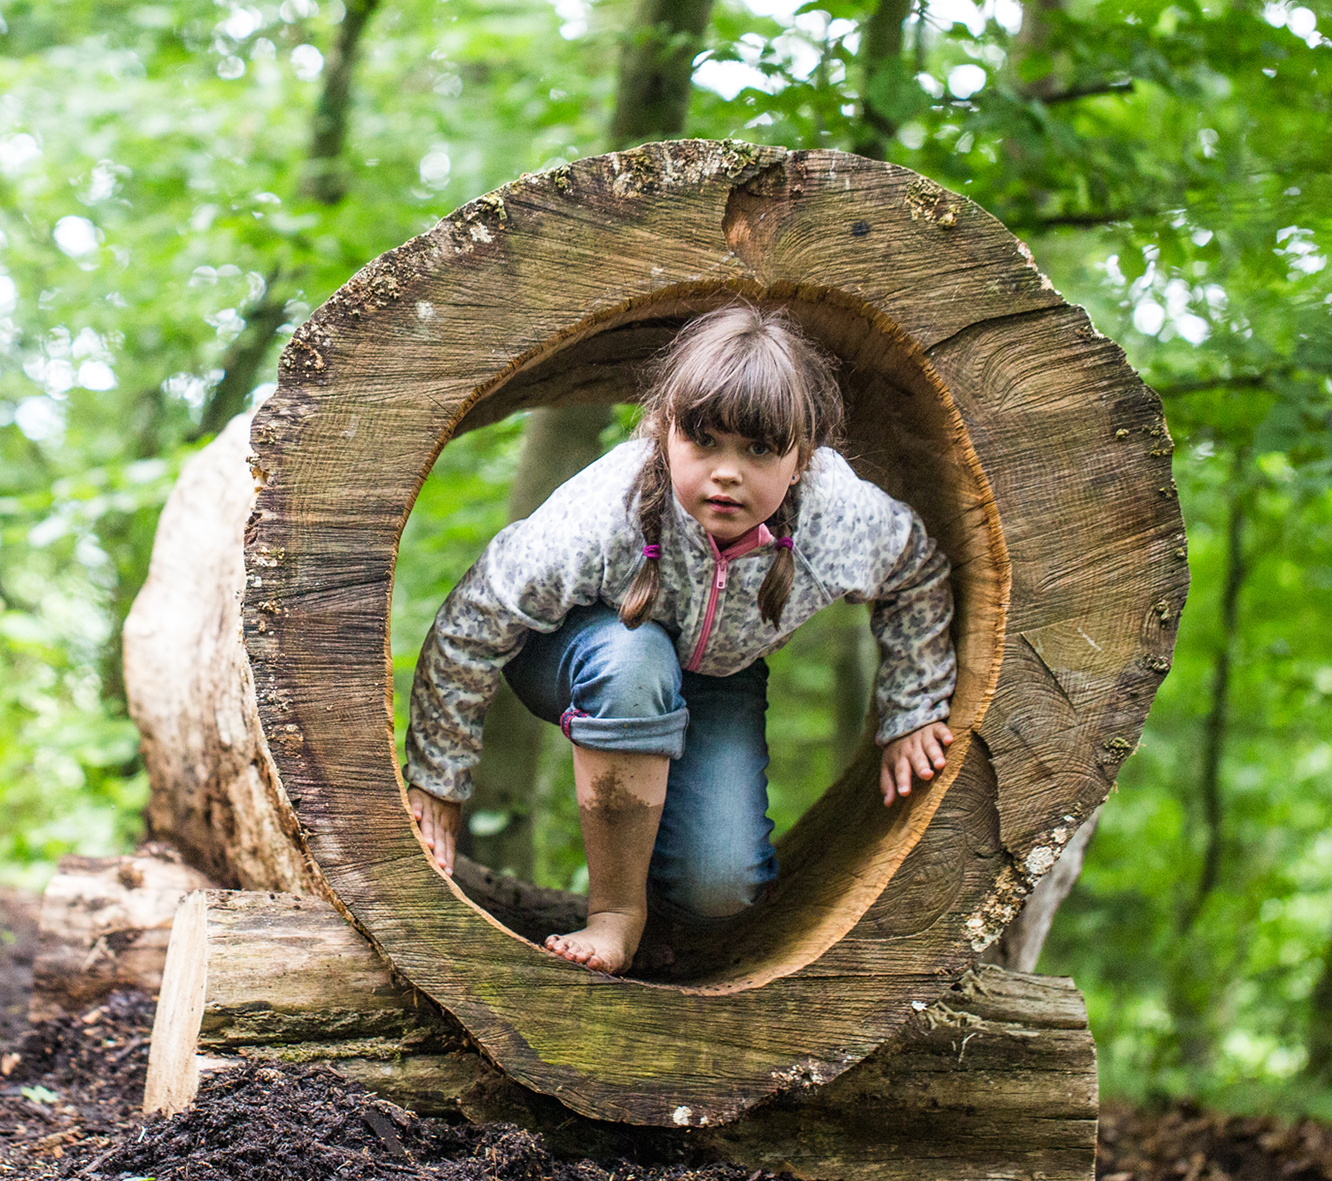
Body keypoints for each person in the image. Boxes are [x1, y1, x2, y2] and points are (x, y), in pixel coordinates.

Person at [403, 302, 957, 975]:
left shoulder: (838, 517)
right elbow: (476, 617)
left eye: (758, 449)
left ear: (801, 458)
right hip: (581, 648)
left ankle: (663, 912)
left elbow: (919, 572)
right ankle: (614, 914)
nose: (728, 471)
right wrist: (439, 781)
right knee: (636, 660)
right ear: (666, 432)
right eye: (706, 441)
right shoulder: (604, 510)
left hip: (718, 673)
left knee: (719, 889)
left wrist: (913, 706)